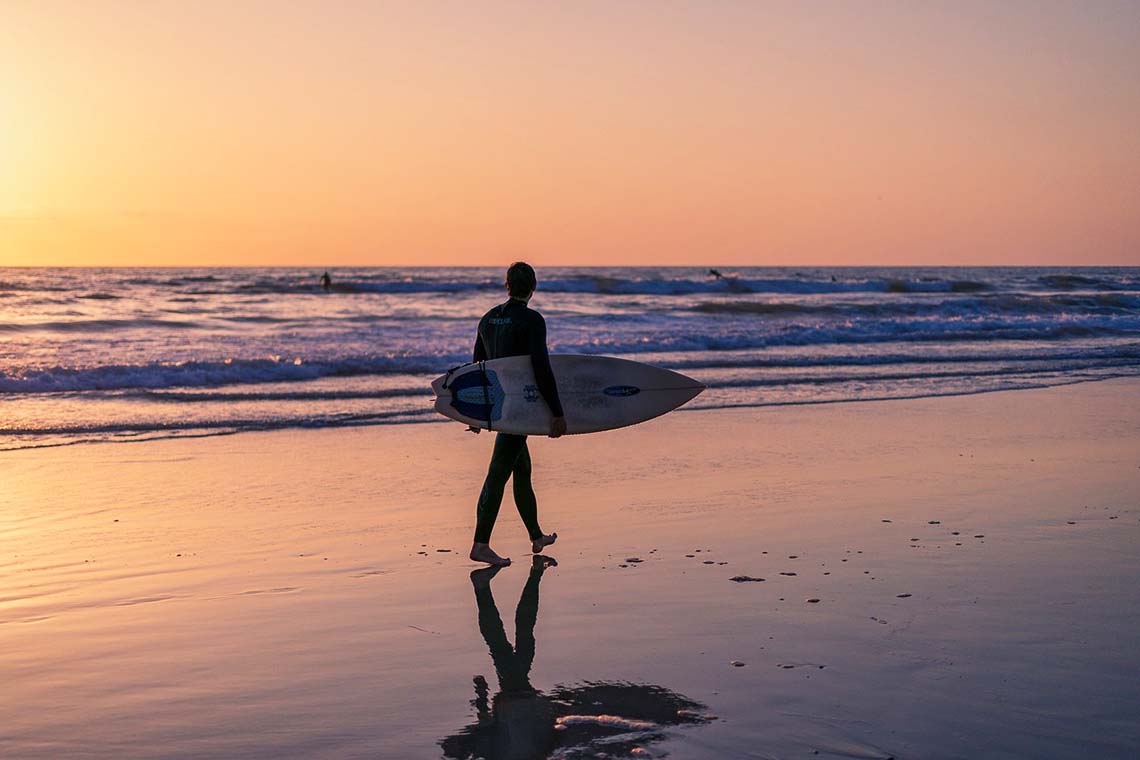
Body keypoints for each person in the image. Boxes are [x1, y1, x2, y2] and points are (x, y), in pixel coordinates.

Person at [469, 262, 565, 567]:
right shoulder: (532, 320)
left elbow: (477, 369)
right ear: (533, 286)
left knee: (521, 469)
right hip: (519, 406)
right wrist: (557, 412)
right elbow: (541, 368)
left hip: (499, 406)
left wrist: (477, 414)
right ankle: (480, 544)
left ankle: (536, 536)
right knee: (498, 473)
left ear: (507, 285)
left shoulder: (487, 319)